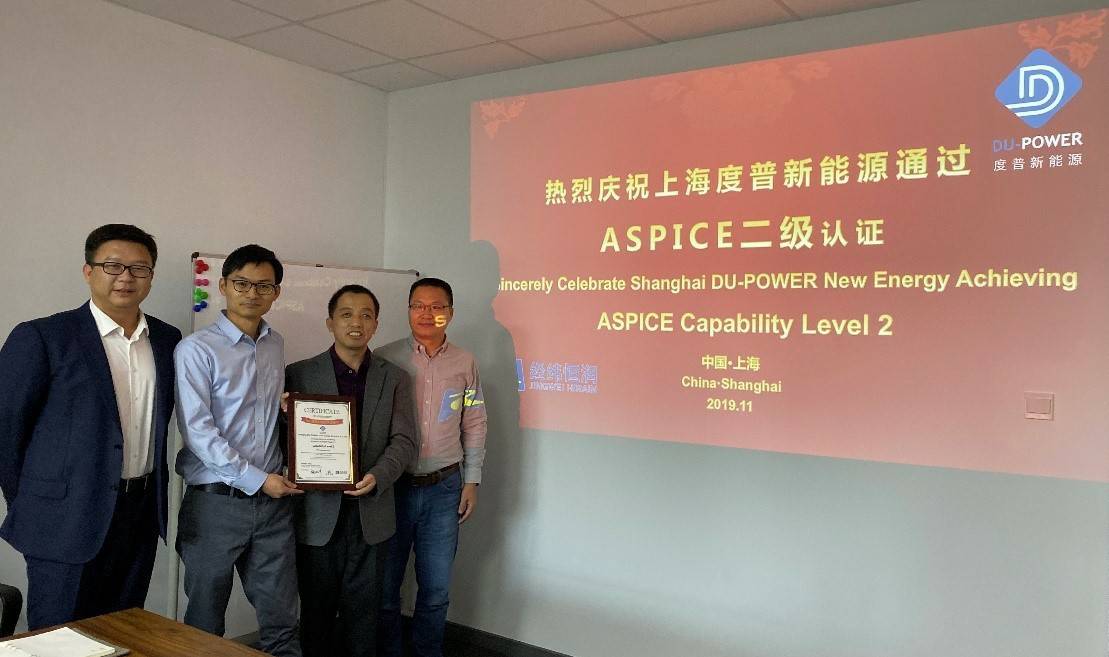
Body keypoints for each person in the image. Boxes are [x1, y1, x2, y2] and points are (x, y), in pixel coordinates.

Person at [0, 224, 181, 629]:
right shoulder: (43, 336)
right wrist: (33, 500)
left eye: (139, 268)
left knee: (121, 629)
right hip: (63, 516)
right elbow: (6, 429)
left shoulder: (167, 340)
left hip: (139, 512)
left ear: (151, 276)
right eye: (113, 266)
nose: (126, 277)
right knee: (58, 636)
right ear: (88, 271)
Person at [174, 244, 302, 657]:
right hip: (215, 504)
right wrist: (258, 480)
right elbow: (199, 431)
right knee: (205, 622)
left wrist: (289, 411)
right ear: (223, 286)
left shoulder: (275, 343)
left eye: (263, 285)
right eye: (242, 283)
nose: (252, 293)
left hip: (273, 506)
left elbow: (260, 412)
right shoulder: (196, 349)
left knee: (282, 619)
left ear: (276, 293)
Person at [285, 284, 418, 657]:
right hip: (316, 515)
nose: (355, 322)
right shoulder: (298, 374)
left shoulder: (395, 378)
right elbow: (283, 440)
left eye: (365, 315)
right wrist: (284, 416)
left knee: (364, 617)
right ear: (330, 322)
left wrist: (378, 476)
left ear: (376, 324)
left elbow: (404, 441)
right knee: (316, 615)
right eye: (346, 314)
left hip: (371, 515)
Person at [377, 277, 487, 657]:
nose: (427, 313)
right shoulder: (385, 357)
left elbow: (474, 421)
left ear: (450, 313)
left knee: (436, 589)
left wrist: (471, 481)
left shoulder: (465, 362)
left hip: (445, 487)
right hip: (394, 487)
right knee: (386, 588)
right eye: (418, 305)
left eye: (437, 307)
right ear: (408, 310)